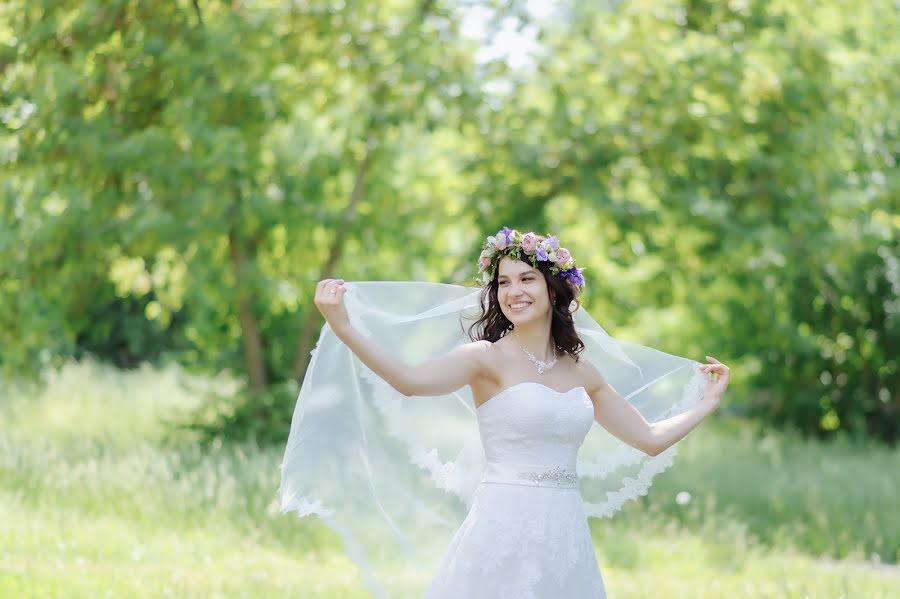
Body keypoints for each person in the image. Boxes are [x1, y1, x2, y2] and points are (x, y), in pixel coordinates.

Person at [280, 227, 730, 599]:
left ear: (554, 290)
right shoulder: (485, 358)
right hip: (502, 526)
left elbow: (649, 438)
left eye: (527, 279)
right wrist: (343, 327)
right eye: (503, 282)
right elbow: (410, 381)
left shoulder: (580, 370)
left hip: (565, 533)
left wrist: (706, 403)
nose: (513, 291)